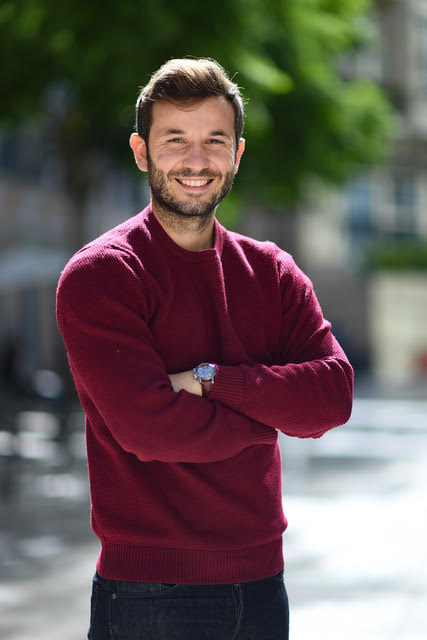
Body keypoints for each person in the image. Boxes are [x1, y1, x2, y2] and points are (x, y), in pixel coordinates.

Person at [56, 57, 353, 640]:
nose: (196, 161)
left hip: (265, 587)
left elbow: (333, 396)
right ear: (142, 153)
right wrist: (269, 419)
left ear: (237, 154)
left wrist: (213, 380)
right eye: (176, 141)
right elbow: (148, 428)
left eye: (215, 140)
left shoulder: (272, 272)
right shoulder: (104, 276)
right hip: (150, 596)